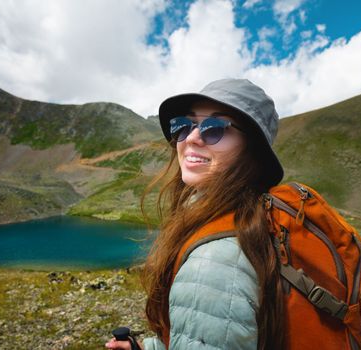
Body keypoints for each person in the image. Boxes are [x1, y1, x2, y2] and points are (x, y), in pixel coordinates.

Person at [105, 79, 286, 350]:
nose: (191, 138)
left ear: (251, 150)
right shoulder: (249, 217)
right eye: (184, 125)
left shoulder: (214, 260)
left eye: (214, 129)